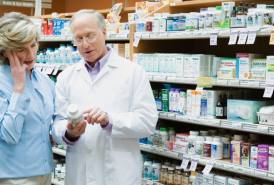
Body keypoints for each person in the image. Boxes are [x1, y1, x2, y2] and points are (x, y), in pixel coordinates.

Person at [51, 9, 158, 185]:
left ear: (104, 32)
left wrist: (110, 120)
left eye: (90, 36)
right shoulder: (66, 77)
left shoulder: (133, 72)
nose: (85, 44)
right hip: (80, 176)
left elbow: (147, 122)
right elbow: (57, 124)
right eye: (78, 39)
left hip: (119, 175)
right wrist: (68, 132)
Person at [0, 12, 55, 184]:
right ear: (5, 51)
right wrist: (18, 88)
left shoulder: (44, 80)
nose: (31, 54)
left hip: (45, 173)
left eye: (33, 45)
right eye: (21, 49)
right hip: (14, 178)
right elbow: (9, 135)